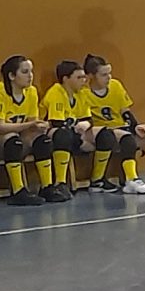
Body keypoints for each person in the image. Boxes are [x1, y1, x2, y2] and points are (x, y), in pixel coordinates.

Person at [82, 55, 145, 196]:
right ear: (91, 76)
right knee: (127, 139)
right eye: (104, 75)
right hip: (104, 131)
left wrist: (135, 126)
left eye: (109, 73)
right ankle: (131, 180)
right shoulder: (83, 92)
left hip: (121, 126)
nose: (109, 77)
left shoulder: (115, 85)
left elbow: (125, 111)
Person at [0, 56, 60, 205]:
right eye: (25, 72)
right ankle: (17, 191)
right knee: (13, 140)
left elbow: (31, 124)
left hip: (17, 135)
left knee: (42, 139)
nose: (30, 76)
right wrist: (29, 125)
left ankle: (47, 187)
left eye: (31, 71)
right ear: (12, 76)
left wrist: (40, 127)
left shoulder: (31, 92)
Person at [43, 58, 109, 194]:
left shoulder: (81, 93)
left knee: (105, 135)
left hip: (73, 133)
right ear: (65, 79)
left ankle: (97, 180)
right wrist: (79, 135)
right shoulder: (56, 92)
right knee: (63, 135)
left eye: (84, 77)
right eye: (79, 77)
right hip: (50, 135)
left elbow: (88, 119)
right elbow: (56, 123)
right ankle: (60, 182)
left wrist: (86, 124)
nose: (83, 81)